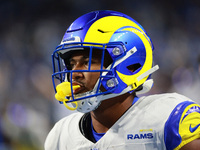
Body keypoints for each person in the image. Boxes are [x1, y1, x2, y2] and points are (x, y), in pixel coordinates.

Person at [45, 10, 200, 150]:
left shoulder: (169, 119)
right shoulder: (61, 135)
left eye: (87, 62)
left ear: (129, 65)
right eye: (72, 64)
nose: (74, 73)